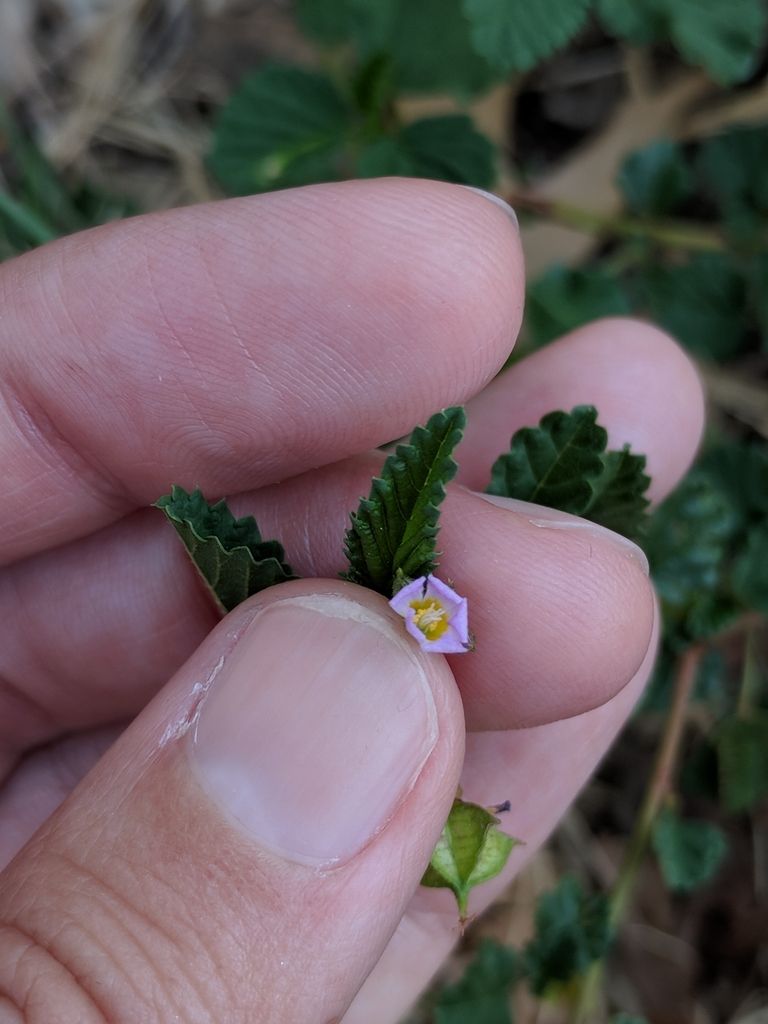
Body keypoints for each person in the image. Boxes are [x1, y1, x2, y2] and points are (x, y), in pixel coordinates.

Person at [0, 178, 704, 1023]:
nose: (431, 619)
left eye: (435, 618)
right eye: (430, 614)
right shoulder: (424, 610)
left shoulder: (429, 610)